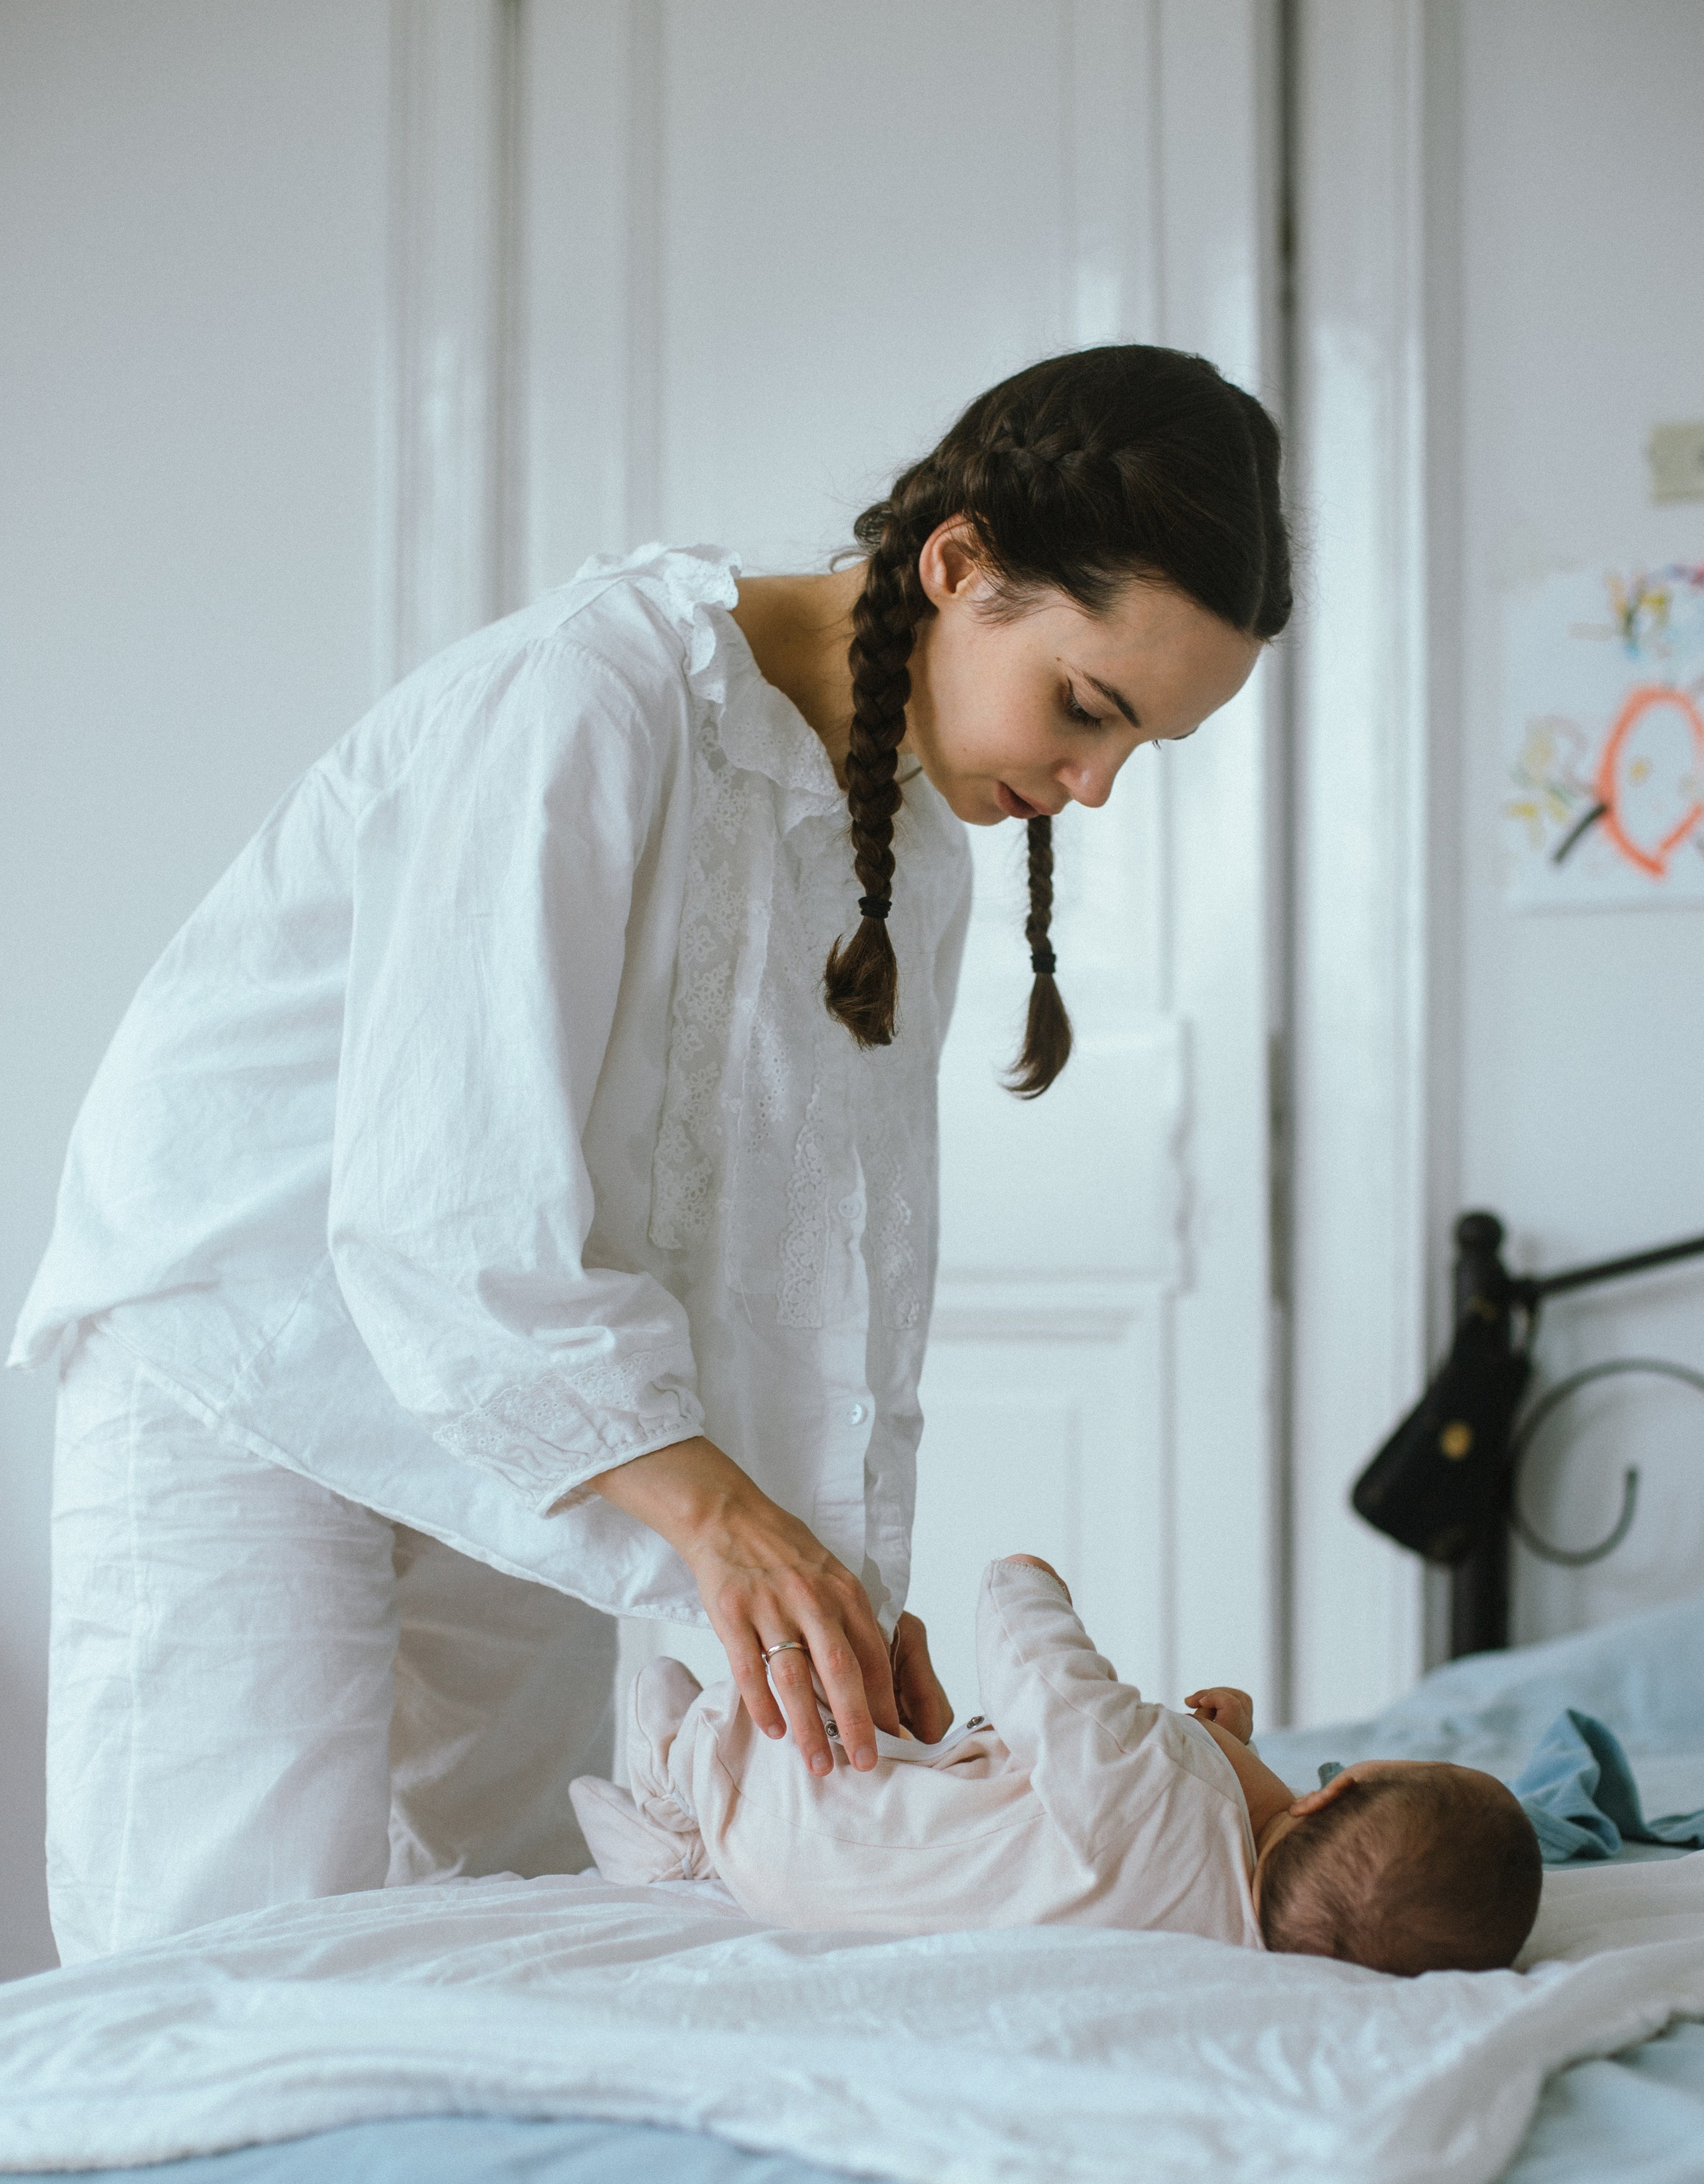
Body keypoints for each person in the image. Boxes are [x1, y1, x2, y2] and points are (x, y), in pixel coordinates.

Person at [11, 345, 1289, 1962]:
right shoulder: (586, 701)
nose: (1090, 789)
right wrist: (727, 1526)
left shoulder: (915, 863)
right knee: (222, 1954)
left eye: (1139, 750)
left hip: (528, 1404)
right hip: (252, 1351)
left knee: (520, 1918)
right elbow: (439, 1211)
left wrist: (832, 1588)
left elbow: (819, 1263)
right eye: (1086, 710)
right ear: (958, 566)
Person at [573, 1556, 1544, 1978]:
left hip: (814, 1805)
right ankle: (697, 1834)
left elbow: (1046, 1682)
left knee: (678, 1689)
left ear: (1339, 1787)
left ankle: (673, 1816)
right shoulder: (1226, 1939)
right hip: (813, 1894)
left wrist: (1029, 1580)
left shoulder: (1159, 1786)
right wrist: (1234, 1747)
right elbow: (1202, 1845)